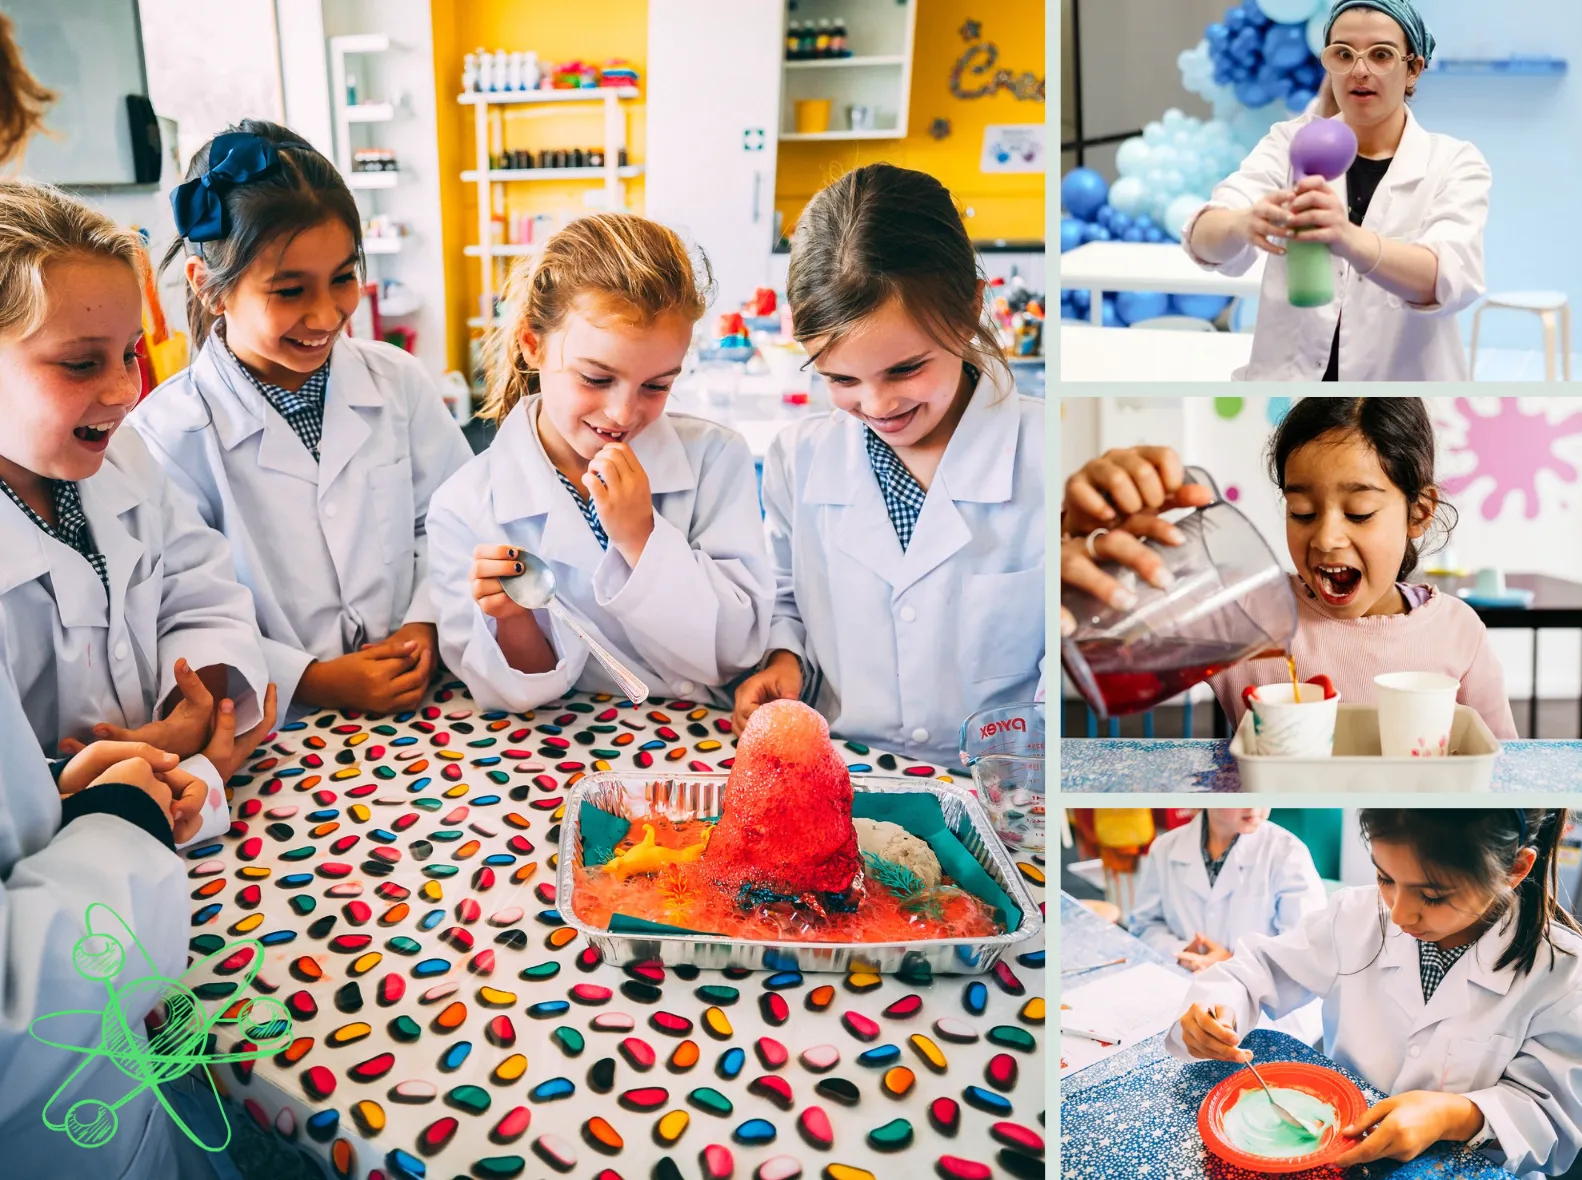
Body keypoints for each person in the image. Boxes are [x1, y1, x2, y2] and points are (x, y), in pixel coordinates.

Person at [131, 120, 473, 718]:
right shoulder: (166, 436)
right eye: (290, 291)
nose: (326, 314)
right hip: (274, 724)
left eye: (343, 278)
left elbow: (454, 521)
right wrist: (309, 680)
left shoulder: (397, 382)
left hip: (423, 700)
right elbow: (181, 609)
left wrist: (425, 622)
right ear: (211, 286)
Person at [731, 163, 1044, 767]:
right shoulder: (800, 459)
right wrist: (783, 658)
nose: (876, 405)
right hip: (845, 770)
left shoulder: (1043, 454)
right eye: (840, 379)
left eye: (905, 370)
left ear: (970, 309)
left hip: (1000, 788)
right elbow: (787, 596)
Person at [0, 178, 277, 845]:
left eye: (129, 352)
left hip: (178, 805)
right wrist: (71, 778)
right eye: (80, 363)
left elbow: (200, 592)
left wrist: (194, 704)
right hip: (57, 861)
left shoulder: (125, 465)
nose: (127, 390)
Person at [426, 213, 772, 712]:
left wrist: (641, 539)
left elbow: (736, 651)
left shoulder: (716, 458)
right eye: (595, 378)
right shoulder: (463, 506)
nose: (623, 413)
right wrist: (513, 618)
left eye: (656, 386)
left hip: (703, 741)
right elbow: (509, 693)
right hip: (565, 750)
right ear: (532, 344)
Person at [1062, 399, 1517, 739]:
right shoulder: (1245, 612)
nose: (1325, 538)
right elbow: (1105, 646)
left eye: (1358, 512)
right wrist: (1078, 544)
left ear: (1418, 513)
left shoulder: (1458, 632)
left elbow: (1503, 772)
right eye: (1301, 511)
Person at [1171, 809, 1582, 1175]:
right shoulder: (1355, 915)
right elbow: (1257, 968)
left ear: (1515, 869)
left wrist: (1456, 1116)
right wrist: (1217, 1009)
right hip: (1333, 1145)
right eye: (1385, 877)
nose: (1399, 915)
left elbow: (1554, 1124)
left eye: (1433, 896)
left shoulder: (1563, 973)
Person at [1182, 0, 1489, 381]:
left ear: (1413, 69)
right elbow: (1203, 237)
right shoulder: (1288, 143)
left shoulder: (1453, 162)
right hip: (1287, 395)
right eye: (1343, 54)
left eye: (1381, 55)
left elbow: (1447, 278)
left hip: (1398, 404)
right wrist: (1242, 223)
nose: (1360, 71)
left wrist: (1346, 236)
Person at [1129, 808, 1327, 1043]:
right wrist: (1181, 952)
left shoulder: (1288, 852)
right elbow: (1144, 926)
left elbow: (1305, 955)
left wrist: (1230, 961)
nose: (1255, 806)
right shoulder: (1165, 849)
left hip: (1268, 1012)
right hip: (1181, 990)